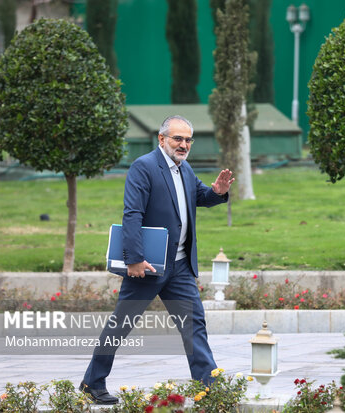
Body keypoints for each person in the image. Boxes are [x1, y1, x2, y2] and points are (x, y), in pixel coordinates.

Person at [80, 115, 234, 404]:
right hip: (148, 267)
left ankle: (208, 388)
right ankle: (92, 383)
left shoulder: (184, 169)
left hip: (180, 268)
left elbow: (197, 195)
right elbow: (132, 214)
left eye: (188, 139)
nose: (184, 144)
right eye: (178, 138)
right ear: (162, 139)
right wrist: (134, 259)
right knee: (121, 324)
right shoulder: (144, 167)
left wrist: (217, 192)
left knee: (194, 325)